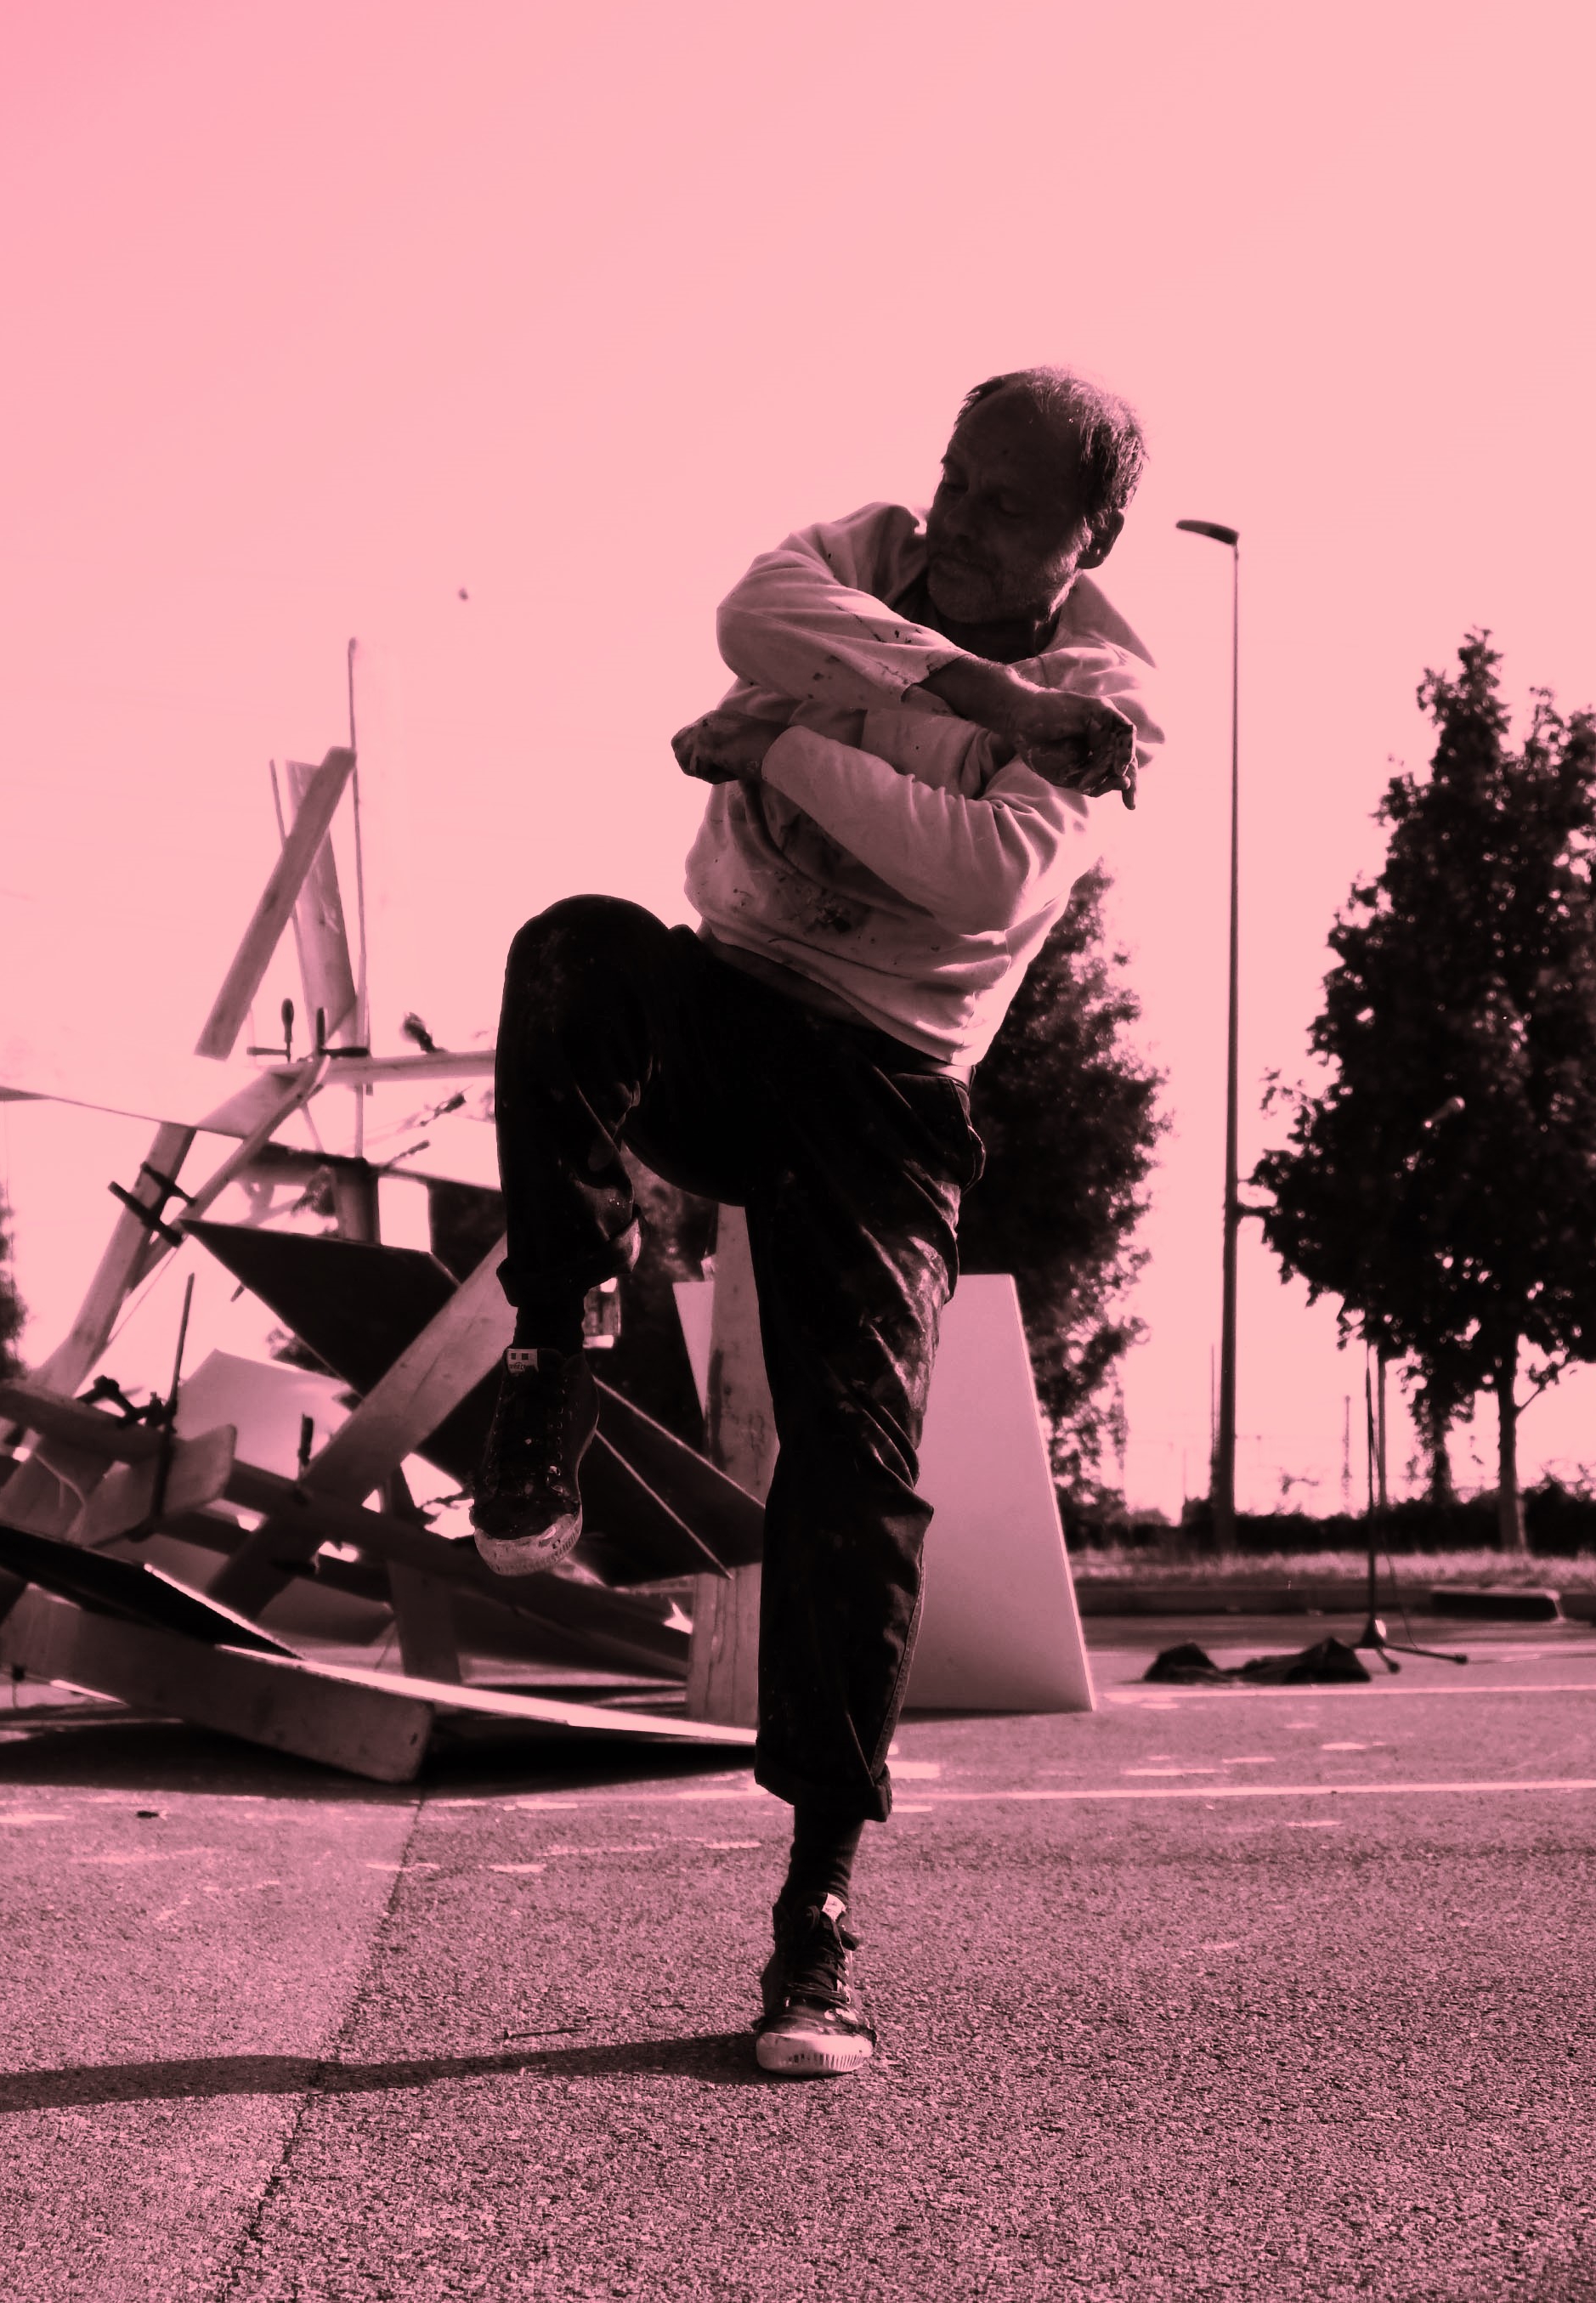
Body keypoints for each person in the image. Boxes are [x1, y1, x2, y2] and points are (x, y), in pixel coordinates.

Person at [477, 367, 1159, 2075]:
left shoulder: (1108, 699)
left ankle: (818, 1915)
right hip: (723, 1006)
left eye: (1006, 506)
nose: (954, 520)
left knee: (855, 1470)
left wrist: (778, 739)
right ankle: (557, 1352)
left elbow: (988, 875)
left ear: (1087, 542)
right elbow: (749, 615)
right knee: (571, 954)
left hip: (887, 1091)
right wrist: (978, 692)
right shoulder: (863, 555)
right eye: (956, 476)